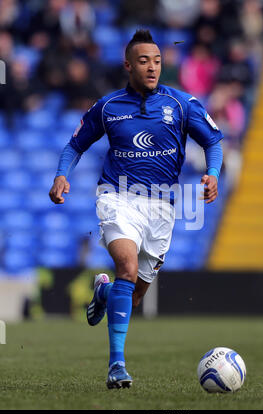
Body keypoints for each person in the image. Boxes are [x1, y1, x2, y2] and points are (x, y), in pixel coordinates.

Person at [49, 29, 223, 389]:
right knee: (126, 269)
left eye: (157, 61)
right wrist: (62, 176)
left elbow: (213, 142)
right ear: (128, 64)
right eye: (144, 61)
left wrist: (212, 174)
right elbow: (74, 145)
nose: (152, 67)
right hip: (117, 196)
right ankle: (116, 366)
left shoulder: (181, 104)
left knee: (135, 293)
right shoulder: (108, 107)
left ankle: (103, 293)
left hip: (162, 207)